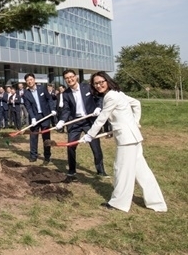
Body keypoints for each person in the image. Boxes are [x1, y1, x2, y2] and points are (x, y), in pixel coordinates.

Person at [81, 71, 167, 213]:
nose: (99, 85)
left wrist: (89, 135)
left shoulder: (111, 96)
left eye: (101, 82)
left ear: (107, 81)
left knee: (121, 170)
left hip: (127, 139)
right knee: (142, 172)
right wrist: (135, 122)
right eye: (95, 83)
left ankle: (118, 203)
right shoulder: (118, 93)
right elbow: (137, 104)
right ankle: (157, 203)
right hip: (133, 137)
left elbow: (102, 118)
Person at [57, 69, 107, 181]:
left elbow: (99, 97)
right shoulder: (65, 94)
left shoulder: (87, 87)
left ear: (76, 77)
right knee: (70, 146)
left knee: (95, 146)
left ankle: (101, 170)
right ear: (65, 80)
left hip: (89, 120)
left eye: (71, 77)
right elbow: (66, 109)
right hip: (75, 122)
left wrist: (99, 107)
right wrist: (62, 121)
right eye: (67, 78)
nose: (70, 79)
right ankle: (72, 170)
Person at [22, 73, 55, 163]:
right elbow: (28, 107)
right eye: (27, 80)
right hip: (34, 118)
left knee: (46, 137)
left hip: (45, 116)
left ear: (34, 80)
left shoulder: (42, 89)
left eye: (31, 79)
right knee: (33, 137)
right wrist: (32, 118)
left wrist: (52, 109)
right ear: (26, 82)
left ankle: (47, 156)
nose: (29, 81)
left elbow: (49, 99)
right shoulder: (26, 94)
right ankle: (33, 156)